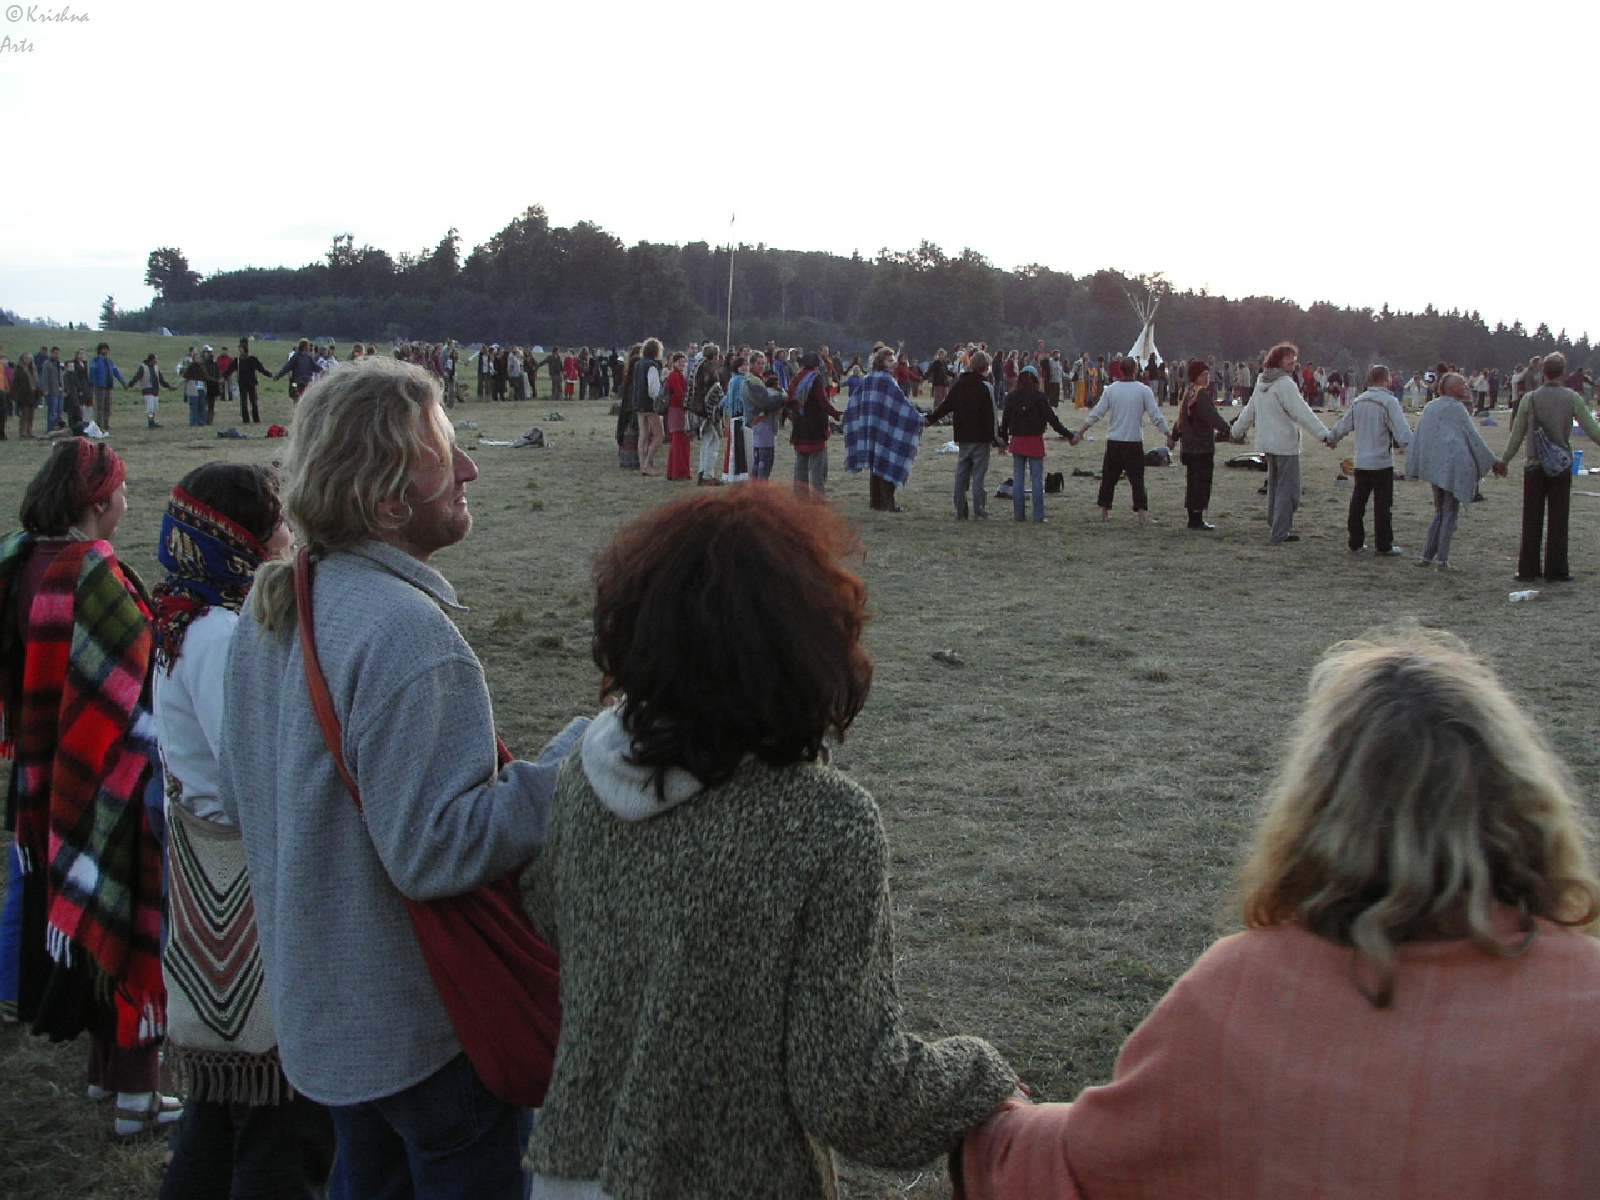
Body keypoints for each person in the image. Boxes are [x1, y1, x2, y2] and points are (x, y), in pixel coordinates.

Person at [959, 628, 1600, 1200]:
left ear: (1320, 804)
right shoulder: (1585, 1003)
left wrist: (993, 1123)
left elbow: (1093, 1163)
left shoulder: (1236, 991)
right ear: (1520, 794)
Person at [520, 486, 1020, 1199]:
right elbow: (851, 1090)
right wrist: (980, 1078)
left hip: (572, 1170)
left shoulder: (583, 774)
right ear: (807, 644)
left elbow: (549, 915)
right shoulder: (823, 820)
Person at [219, 359, 586, 1198]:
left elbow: (248, 796)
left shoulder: (277, 603)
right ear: (387, 502)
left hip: (327, 1022)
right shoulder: (408, 635)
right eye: (445, 455)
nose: (470, 469)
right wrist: (573, 764)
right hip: (422, 1033)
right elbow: (436, 853)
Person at [150, 464, 337, 1199]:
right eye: (279, 527)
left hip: (208, 870)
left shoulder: (182, 620)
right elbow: (252, 770)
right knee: (276, 1113)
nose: (290, 539)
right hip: (247, 883)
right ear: (241, 543)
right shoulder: (221, 635)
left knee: (222, 1104)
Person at [0, 440, 181, 1138]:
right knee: (132, 923)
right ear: (98, 501)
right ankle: (137, 1095)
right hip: (113, 778)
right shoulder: (93, 572)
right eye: (122, 491)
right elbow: (136, 674)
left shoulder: (19, 560)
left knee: (88, 918)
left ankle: (106, 1073)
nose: (126, 502)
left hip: (46, 774)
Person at [1498, 351, 1600, 583]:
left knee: (1531, 518)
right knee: (1558, 519)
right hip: (1560, 465)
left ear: (1543, 372)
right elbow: (1593, 431)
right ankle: (1556, 570)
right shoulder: (1572, 398)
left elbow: (1517, 435)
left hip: (1534, 464)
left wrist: (1504, 460)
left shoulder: (1530, 399)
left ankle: (1527, 569)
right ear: (1563, 372)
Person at [1230, 342, 1332, 544]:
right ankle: (1280, 531)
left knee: (1276, 487)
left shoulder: (1262, 381)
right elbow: (1303, 413)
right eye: (1289, 360)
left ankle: (1275, 522)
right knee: (1290, 491)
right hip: (1285, 445)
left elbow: (1250, 411)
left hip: (1268, 444)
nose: (1293, 364)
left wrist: (1236, 431)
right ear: (1278, 360)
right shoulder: (1285, 384)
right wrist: (1324, 435)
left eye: (1294, 360)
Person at [1406, 372, 1499, 570]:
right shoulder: (1457, 409)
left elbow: (1421, 436)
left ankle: (1427, 556)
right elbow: (1473, 438)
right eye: (1461, 384)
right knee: (1449, 513)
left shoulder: (1431, 407)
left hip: (1434, 465)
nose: (1465, 386)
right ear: (1451, 388)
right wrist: (1492, 461)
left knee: (1440, 511)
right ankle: (1442, 560)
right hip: (1453, 466)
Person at [1326, 365, 1413, 556]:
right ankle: (1384, 545)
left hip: (1361, 462)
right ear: (1386, 380)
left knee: (1358, 503)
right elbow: (1402, 434)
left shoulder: (1358, 401)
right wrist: (1414, 449)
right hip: (1381, 463)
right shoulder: (1389, 402)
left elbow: (1344, 425)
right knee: (1383, 506)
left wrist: (1331, 438)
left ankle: (1355, 541)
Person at [1077, 357, 1171, 524]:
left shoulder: (1111, 390)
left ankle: (1105, 512)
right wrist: (1168, 435)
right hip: (1133, 442)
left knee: (1108, 479)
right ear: (1135, 370)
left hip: (1114, 441)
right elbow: (1156, 416)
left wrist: (1080, 432)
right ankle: (1142, 515)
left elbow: (1097, 413)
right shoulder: (1143, 390)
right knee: (1137, 480)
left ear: (1120, 370)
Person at [844, 346, 923, 512]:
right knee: (886, 463)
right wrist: (918, 418)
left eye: (894, 359)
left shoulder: (868, 379)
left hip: (871, 428)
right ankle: (888, 504)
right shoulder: (887, 381)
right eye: (890, 360)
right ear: (881, 362)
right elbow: (902, 403)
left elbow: (854, 401)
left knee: (875, 464)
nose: (894, 363)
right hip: (885, 428)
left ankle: (875, 502)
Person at [926, 350, 998, 520]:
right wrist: (996, 438)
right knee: (978, 476)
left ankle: (960, 509)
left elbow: (946, 405)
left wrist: (931, 419)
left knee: (961, 474)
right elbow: (991, 415)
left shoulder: (959, 385)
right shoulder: (986, 387)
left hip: (963, 435)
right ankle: (979, 508)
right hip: (981, 438)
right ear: (986, 367)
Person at [998, 365, 1072, 523]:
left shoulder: (1011, 397)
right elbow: (1053, 421)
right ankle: (1038, 516)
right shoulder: (1039, 398)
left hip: (1017, 440)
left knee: (1018, 479)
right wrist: (1069, 435)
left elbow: (1004, 422)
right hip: (1034, 441)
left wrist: (1003, 441)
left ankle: (1019, 515)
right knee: (1037, 480)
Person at [1167, 359, 1233, 530]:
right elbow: (1211, 416)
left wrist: (1174, 436)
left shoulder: (1188, 392)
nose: (1207, 378)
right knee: (1201, 484)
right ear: (1195, 376)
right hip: (1201, 446)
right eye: (1203, 375)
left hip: (1189, 446)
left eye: (1207, 374)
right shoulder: (1201, 395)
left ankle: (1193, 517)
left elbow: (1180, 419)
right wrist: (1227, 429)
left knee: (1192, 483)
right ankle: (1197, 519)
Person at [786, 351, 839, 498]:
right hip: (815, 425)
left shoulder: (796, 378)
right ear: (817, 365)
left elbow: (789, 400)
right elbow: (822, 402)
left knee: (800, 463)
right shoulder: (816, 378)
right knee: (817, 466)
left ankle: (800, 497)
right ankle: (817, 498)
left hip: (799, 424)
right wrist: (836, 414)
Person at [634, 338, 665, 476]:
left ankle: (642, 465)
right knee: (659, 436)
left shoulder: (638, 364)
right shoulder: (652, 365)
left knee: (643, 435)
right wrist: (659, 400)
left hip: (638, 403)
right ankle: (647, 464)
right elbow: (653, 388)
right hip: (650, 405)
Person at [228, 339, 272, 424]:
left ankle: (256, 419)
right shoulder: (237, 361)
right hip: (242, 384)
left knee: (254, 402)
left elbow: (261, 369)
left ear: (245, 349)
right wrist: (223, 377)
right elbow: (229, 370)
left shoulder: (252, 359)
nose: (240, 350)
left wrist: (270, 374)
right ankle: (246, 420)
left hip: (251, 383)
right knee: (243, 403)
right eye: (239, 348)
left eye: (241, 348)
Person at [128, 353, 175, 429]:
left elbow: (161, 380)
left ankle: (152, 421)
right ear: (152, 360)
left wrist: (169, 386)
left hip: (155, 390)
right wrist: (130, 384)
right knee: (150, 408)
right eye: (156, 359)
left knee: (154, 408)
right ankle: (150, 423)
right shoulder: (143, 367)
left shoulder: (156, 367)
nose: (157, 361)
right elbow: (136, 377)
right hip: (147, 390)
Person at [664, 352, 691, 481]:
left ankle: (675, 471)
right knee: (679, 441)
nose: (682, 364)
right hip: (677, 410)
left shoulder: (677, 375)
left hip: (676, 410)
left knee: (678, 442)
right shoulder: (675, 375)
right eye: (680, 361)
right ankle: (679, 472)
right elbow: (680, 394)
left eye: (684, 362)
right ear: (674, 362)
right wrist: (688, 404)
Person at [38, 346, 66, 433]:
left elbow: (62, 376)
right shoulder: (47, 364)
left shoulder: (60, 363)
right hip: (52, 391)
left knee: (59, 412)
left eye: (58, 353)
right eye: (55, 353)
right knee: (52, 412)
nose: (57, 355)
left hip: (60, 391)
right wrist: (45, 390)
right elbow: (44, 377)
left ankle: (58, 429)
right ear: (51, 353)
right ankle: (50, 429)